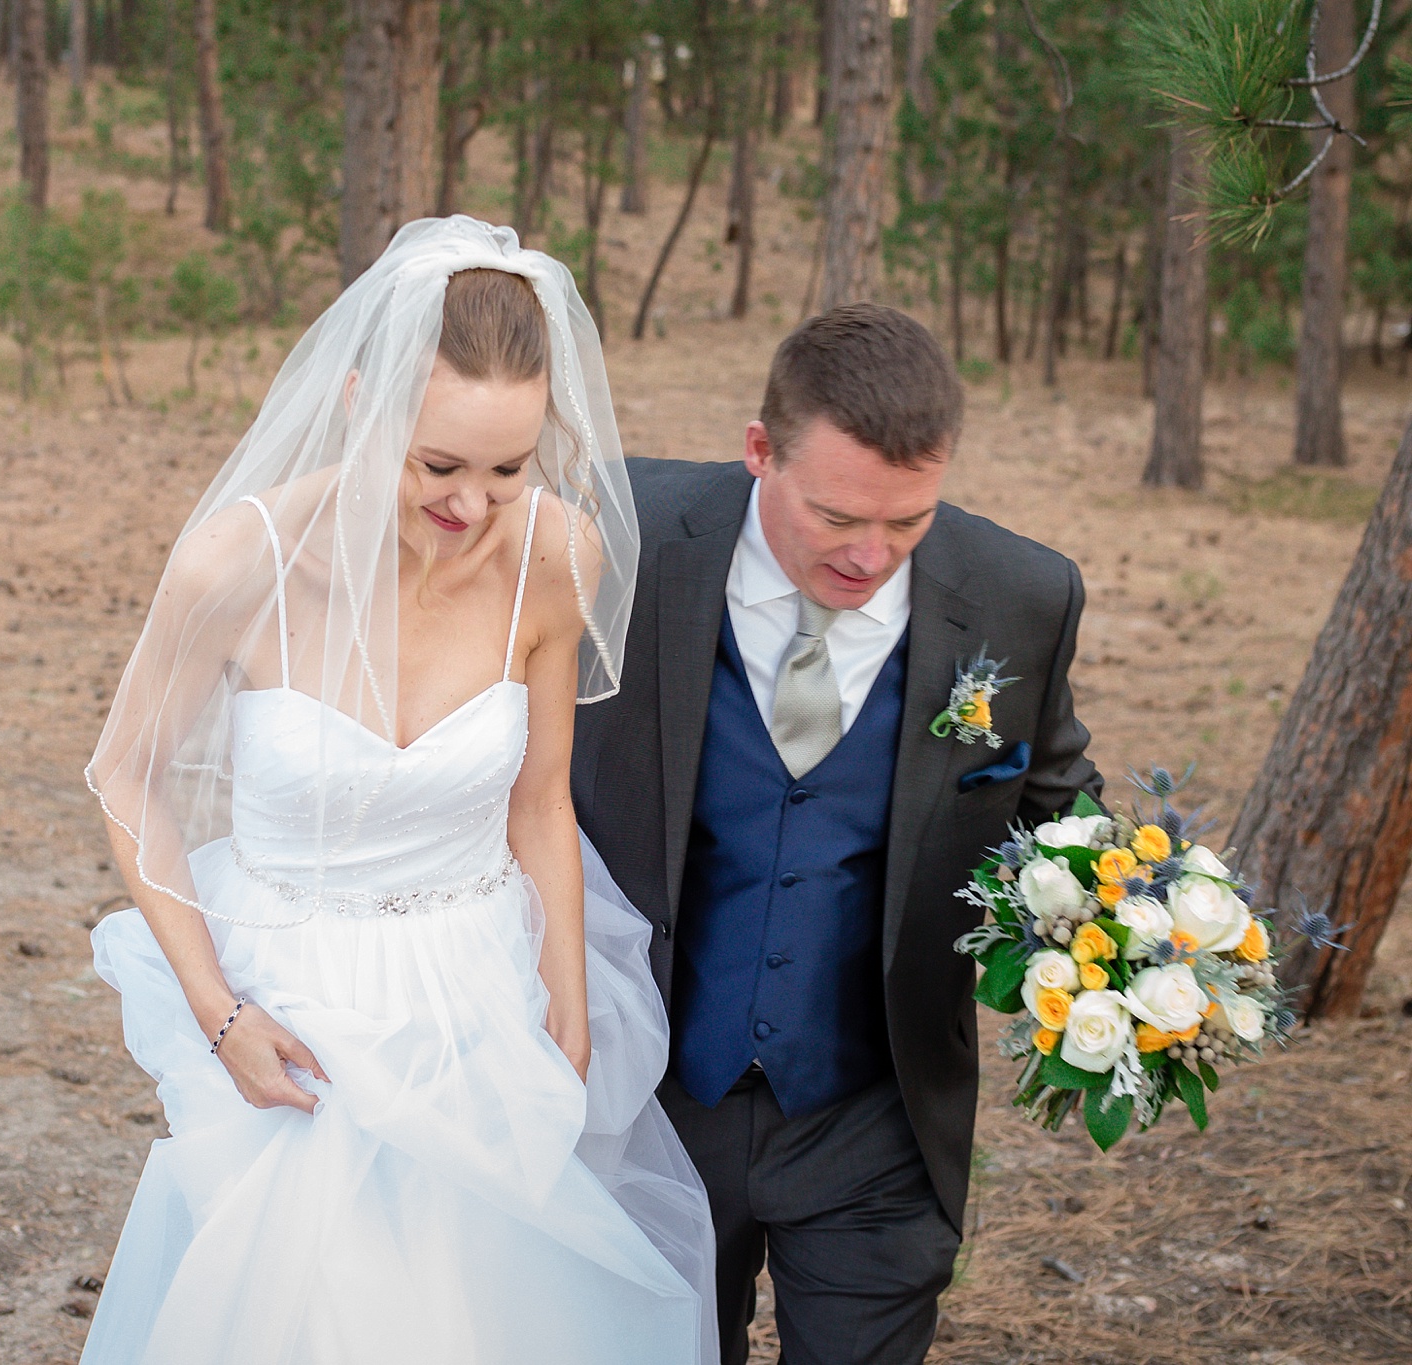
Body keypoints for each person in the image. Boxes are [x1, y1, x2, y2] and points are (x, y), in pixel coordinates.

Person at [81, 217, 717, 1365]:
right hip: (297, 1013)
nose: (471, 506)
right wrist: (218, 1013)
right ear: (361, 399)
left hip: (477, 999)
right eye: (437, 464)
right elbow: (126, 776)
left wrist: (565, 1007)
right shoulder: (239, 564)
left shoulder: (555, 556)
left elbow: (538, 805)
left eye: (508, 469)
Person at [572, 304, 1104, 1365]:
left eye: (907, 522)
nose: (870, 557)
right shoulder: (616, 533)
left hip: (874, 1117)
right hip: (645, 1103)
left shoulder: (1019, 594)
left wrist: (1145, 941)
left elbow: (1055, 813)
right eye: (834, 517)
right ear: (758, 450)